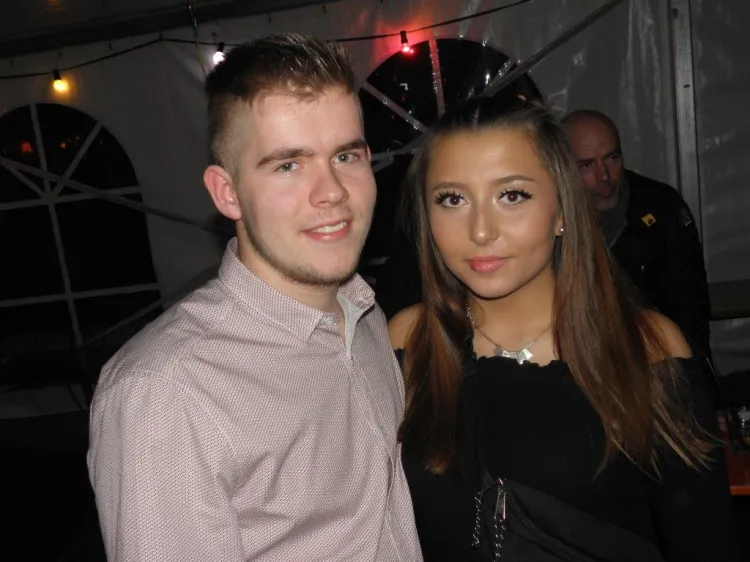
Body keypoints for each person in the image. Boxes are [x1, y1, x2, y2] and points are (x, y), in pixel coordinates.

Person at [87, 33, 422, 562]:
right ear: (227, 193)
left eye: (346, 155)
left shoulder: (364, 314)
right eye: (288, 164)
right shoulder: (165, 392)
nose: (332, 191)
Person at [388, 96, 738, 561]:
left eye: (512, 195)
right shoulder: (408, 341)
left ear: (561, 211)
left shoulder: (646, 349)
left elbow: (705, 541)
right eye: (452, 199)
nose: (480, 230)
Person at [562, 109, 712, 360]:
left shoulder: (661, 207)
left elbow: (690, 310)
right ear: (561, 168)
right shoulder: (545, 218)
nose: (604, 176)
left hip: (658, 359)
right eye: (586, 165)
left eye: (612, 158)